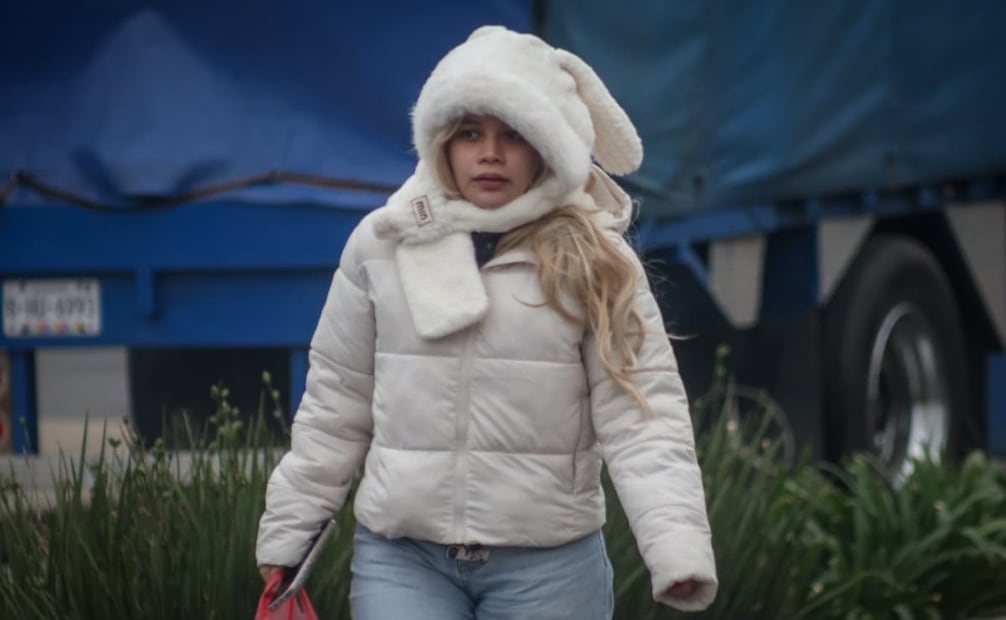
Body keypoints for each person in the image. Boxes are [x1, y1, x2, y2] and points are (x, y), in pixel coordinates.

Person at [256, 25, 718, 618]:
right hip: (403, 560)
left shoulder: (597, 260)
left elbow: (642, 414)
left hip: (550, 570)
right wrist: (290, 534)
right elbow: (335, 403)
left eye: (514, 134)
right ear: (440, 143)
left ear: (547, 147)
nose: (490, 152)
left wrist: (677, 550)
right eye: (469, 132)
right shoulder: (382, 243)